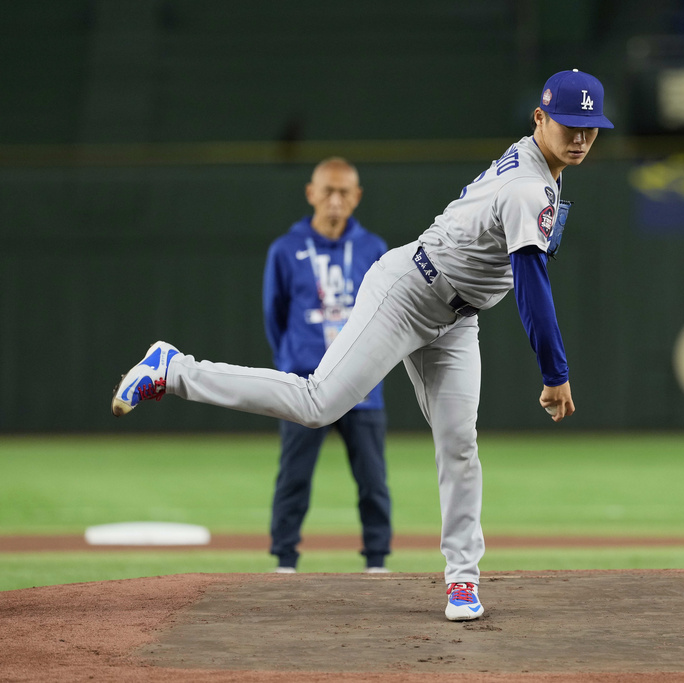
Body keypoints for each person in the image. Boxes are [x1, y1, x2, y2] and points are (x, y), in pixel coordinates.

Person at [110, 68, 614, 620]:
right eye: (570, 123)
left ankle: (463, 580)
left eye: (591, 126)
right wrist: (554, 371)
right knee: (317, 402)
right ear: (540, 119)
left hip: (457, 318)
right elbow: (531, 286)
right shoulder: (528, 185)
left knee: (459, 443)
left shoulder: (541, 165)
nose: (581, 137)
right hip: (407, 291)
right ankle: (173, 369)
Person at [263, 158, 391, 575]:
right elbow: (274, 314)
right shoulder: (285, 249)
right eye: (327, 191)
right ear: (311, 193)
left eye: (344, 192)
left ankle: (376, 561)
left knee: (372, 480)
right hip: (304, 382)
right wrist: (291, 363)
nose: (335, 200)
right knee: (294, 477)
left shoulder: (375, 248)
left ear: (357, 197)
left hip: (362, 384)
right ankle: (285, 560)